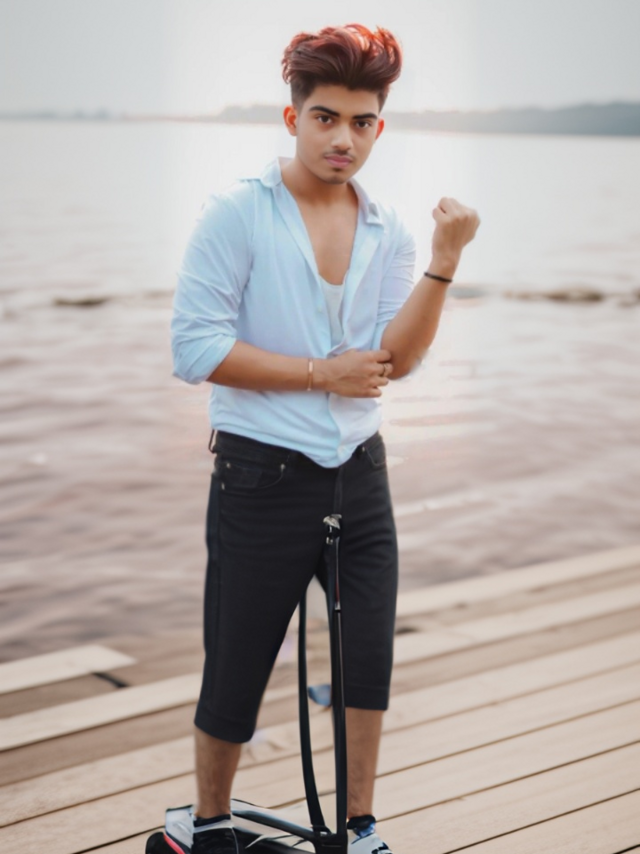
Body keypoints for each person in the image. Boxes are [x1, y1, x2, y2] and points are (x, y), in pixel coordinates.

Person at [164, 22, 480, 854]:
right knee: (237, 660)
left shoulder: (389, 228)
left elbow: (396, 362)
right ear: (292, 117)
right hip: (259, 477)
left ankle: (361, 829)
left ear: (380, 126)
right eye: (326, 118)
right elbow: (194, 349)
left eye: (362, 122)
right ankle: (210, 824)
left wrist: (443, 262)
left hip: (360, 473)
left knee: (366, 662)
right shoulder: (237, 213)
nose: (344, 138)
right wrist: (319, 374)